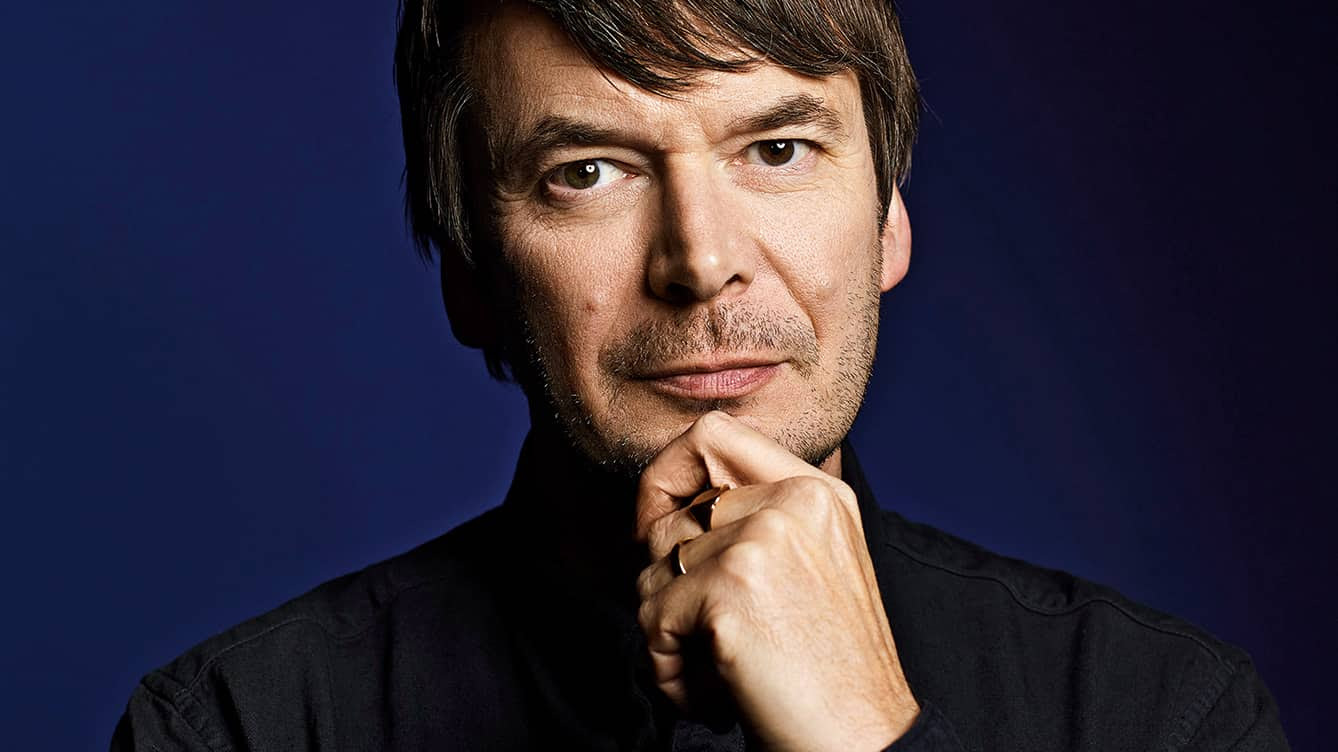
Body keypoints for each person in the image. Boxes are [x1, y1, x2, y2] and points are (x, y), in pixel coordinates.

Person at [111, 1, 1289, 749]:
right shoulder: (238, 728)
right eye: (588, 171)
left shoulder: (1159, 712)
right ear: (470, 273)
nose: (701, 260)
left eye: (776, 149)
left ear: (888, 221)